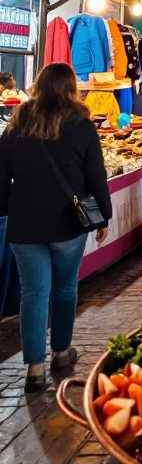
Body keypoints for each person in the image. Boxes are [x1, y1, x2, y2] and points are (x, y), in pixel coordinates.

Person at [0, 63, 111, 391]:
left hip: (25, 221)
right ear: (70, 87)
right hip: (68, 221)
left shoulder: (18, 121)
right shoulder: (81, 124)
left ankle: (34, 367)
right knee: (64, 289)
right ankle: (61, 352)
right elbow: (96, 176)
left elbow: (1, 173)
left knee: (32, 292)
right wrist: (102, 216)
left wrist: (5, 208)